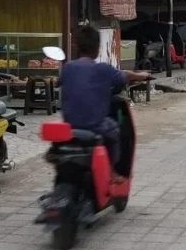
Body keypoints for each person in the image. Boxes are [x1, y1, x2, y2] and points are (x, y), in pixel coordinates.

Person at [60, 25, 151, 182]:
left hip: (69, 125)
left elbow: (58, 82)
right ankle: (111, 172)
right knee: (115, 130)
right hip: (94, 125)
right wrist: (142, 75)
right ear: (97, 48)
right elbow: (126, 75)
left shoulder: (68, 68)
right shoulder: (103, 69)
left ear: (77, 47)